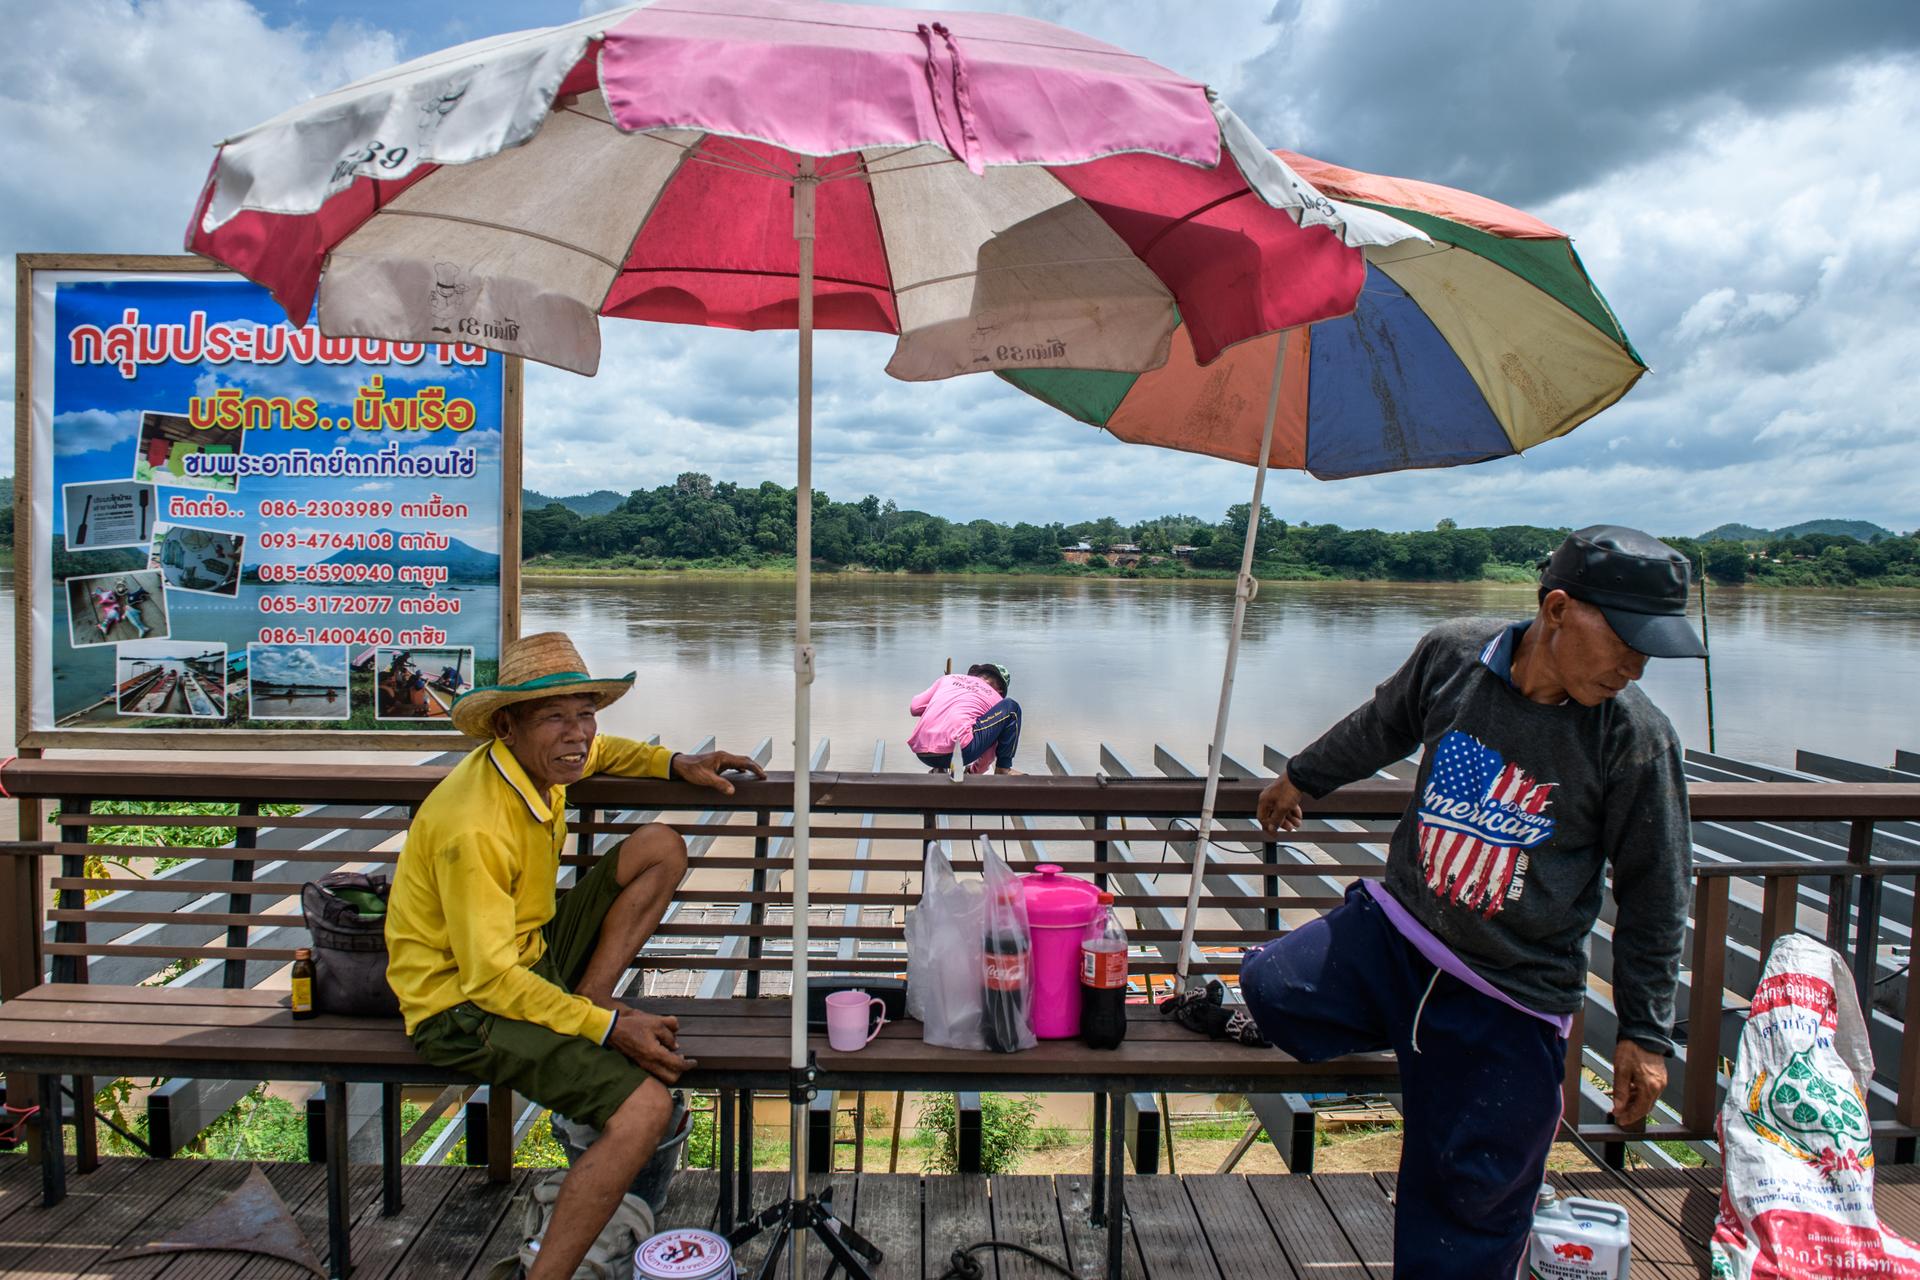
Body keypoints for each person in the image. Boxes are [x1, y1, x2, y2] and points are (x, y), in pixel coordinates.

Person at [1240, 526, 1706, 1278]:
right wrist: (1301, 778)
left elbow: (1657, 892)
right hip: (1401, 934)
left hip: (1509, 991)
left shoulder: (1635, 739)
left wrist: (1645, 1033)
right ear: (1557, 609)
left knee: (1467, 1206)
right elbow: (1382, 725)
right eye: (1625, 639)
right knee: (1270, 987)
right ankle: (1424, 1042)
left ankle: (1446, 1071)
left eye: (1649, 650)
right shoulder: (1455, 656)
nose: (1635, 664)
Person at [385, 631, 765, 1279]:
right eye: (555, 717)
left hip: (531, 959)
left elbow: (602, 750)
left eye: (585, 713)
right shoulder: (473, 824)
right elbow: (489, 979)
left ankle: (587, 996)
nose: (578, 734)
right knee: (643, 1107)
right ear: (505, 726)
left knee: (659, 845)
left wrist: (675, 763)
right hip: (460, 1007)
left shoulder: (545, 760)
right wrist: (613, 1027)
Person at [908, 662, 1022, 775]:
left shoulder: (948, 679)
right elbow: (988, 756)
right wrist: (974, 771)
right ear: (1000, 690)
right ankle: (1003, 768)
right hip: (961, 753)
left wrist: (940, 704)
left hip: (921, 751)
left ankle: (940, 768)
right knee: (1012, 708)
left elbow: (915, 707)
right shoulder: (996, 699)